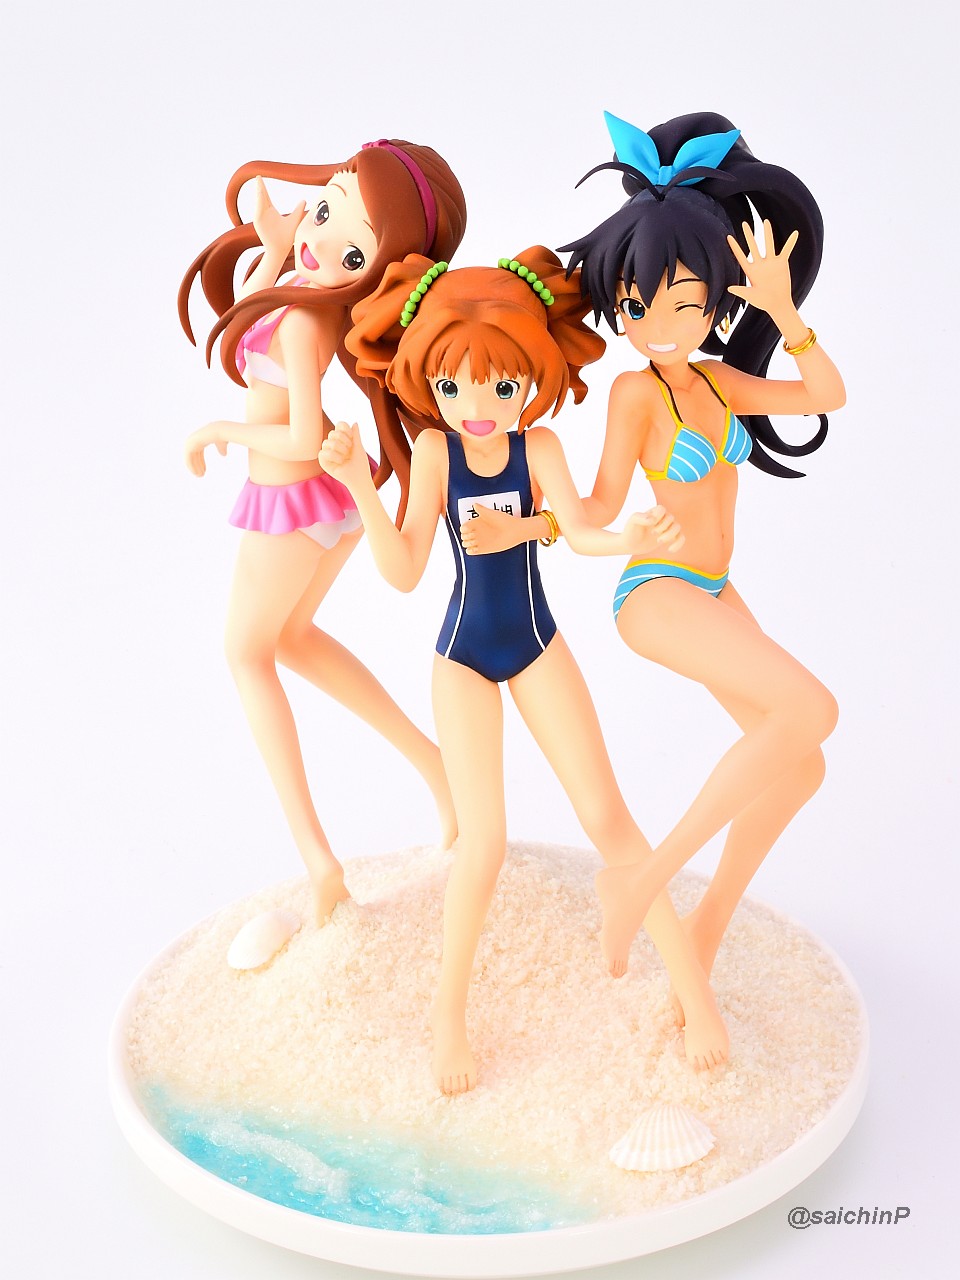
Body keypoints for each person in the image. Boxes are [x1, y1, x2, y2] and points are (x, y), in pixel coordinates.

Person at [319, 248, 729, 1094]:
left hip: (538, 641)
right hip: (464, 655)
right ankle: (448, 1017)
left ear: (531, 383)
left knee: (608, 815)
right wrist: (358, 480)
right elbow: (402, 571)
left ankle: (695, 991)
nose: (478, 408)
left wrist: (624, 538)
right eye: (455, 387)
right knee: (486, 844)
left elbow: (582, 530)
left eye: (500, 387)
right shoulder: (435, 454)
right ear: (429, 384)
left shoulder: (537, 445)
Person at [471, 111, 845, 983]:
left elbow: (826, 393)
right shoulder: (636, 396)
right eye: (639, 309)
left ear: (717, 301)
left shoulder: (721, 380)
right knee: (812, 710)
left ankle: (704, 927)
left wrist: (785, 311)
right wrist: (540, 526)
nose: (660, 326)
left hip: (714, 589)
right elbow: (599, 505)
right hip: (657, 589)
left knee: (802, 765)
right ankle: (646, 878)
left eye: (686, 304)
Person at [178, 140, 466, 926]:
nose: (323, 240)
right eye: (329, 206)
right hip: (321, 501)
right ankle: (438, 769)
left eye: (353, 250)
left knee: (246, 654)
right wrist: (276, 248)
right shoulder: (303, 290)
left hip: (293, 500)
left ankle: (318, 861)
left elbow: (304, 434)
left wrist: (220, 432)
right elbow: (249, 319)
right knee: (293, 639)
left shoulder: (308, 319)